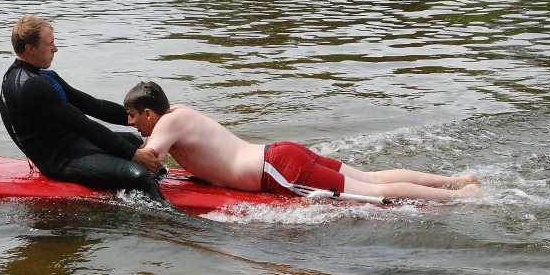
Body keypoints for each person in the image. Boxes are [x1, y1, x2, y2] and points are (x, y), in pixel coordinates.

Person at [123, 81, 480, 201]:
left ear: (150, 114)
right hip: (281, 153)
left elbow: (149, 158)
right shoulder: (181, 112)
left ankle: (458, 196)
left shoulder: (165, 126)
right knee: (372, 177)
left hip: (276, 171)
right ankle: (457, 180)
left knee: (370, 194)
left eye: (134, 116)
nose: (131, 122)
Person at [0, 16, 163, 199]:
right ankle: (168, 222)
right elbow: (83, 124)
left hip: (73, 145)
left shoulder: (45, 77)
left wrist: (150, 119)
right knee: (138, 175)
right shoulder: (30, 86)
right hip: (59, 161)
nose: (55, 48)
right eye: (50, 43)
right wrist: (133, 155)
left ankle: (163, 187)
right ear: (30, 49)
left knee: (133, 140)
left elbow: (94, 106)